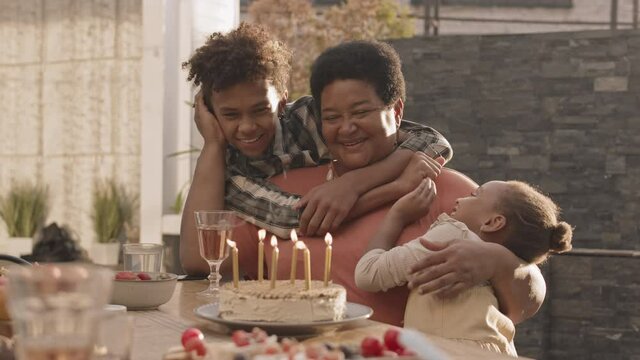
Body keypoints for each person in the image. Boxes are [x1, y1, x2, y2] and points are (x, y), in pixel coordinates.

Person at [181, 39, 546, 327]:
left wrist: (498, 262)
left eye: (361, 112)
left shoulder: (444, 189)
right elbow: (201, 258)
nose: (347, 128)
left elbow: (530, 297)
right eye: (332, 117)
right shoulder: (286, 188)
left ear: (397, 112)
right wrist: (213, 144)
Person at [181, 23, 451, 240]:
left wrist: (352, 184)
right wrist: (395, 188)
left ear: (282, 102)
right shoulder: (228, 169)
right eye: (230, 115)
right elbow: (293, 218)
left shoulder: (315, 118)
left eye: (261, 110)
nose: (248, 126)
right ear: (211, 114)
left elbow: (432, 141)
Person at [355, 179, 573, 355]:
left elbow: (368, 274)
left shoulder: (454, 234)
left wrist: (397, 215)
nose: (460, 198)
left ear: (492, 222)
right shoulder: (497, 260)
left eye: (473, 195)